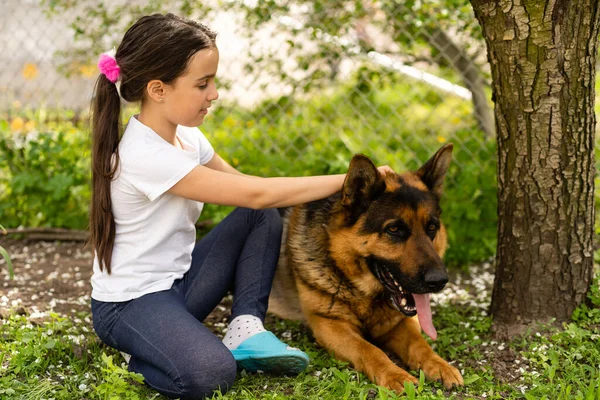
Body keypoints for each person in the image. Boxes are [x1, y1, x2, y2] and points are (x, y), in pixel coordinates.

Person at [89, 13, 392, 400]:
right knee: (212, 373)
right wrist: (348, 180)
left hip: (181, 283)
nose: (213, 93)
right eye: (202, 84)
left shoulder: (187, 137)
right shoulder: (144, 154)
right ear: (158, 89)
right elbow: (257, 192)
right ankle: (142, 355)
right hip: (129, 305)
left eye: (212, 81)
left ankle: (245, 326)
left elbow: (250, 193)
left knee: (258, 217)